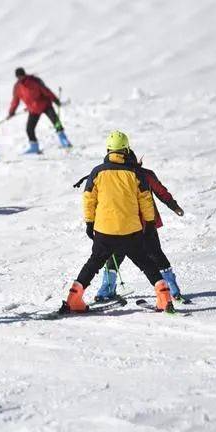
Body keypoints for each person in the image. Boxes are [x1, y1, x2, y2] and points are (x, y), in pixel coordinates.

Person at [61, 131, 175, 314]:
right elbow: (146, 199)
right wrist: (150, 223)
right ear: (126, 150)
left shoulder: (97, 172)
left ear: (108, 150)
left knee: (93, 264)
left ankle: (73, 299)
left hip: (104, 231)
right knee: (146, 263)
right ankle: (164, 297)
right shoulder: (135, 173)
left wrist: (89, 223)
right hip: (131, 231)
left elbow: (88, 198)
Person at [87, 151, 187, 302]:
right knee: (148, 255)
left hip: (136, 225)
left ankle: (107, 289)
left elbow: (160, 192)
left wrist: (174, 206)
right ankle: (172, 289)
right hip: (135, 225)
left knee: (124, 255)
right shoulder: (131, 175)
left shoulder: (133, 174)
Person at [7, 67, 71, 154]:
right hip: (33, 110)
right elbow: (15, 100)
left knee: (56, 121)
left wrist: (56, 101)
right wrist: (11, 112)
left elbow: (47, 91)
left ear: (24, 74)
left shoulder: (34, 81)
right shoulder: (17, 87)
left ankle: (64, 140)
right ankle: (34, 147)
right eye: (18, 77)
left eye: (21, 76)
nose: (20, 78)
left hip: (45, 105)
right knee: (29, 129)